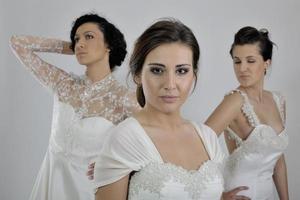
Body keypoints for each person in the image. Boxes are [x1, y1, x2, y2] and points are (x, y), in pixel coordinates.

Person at [10, 13, 139, 200]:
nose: (80, 43)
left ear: (109, 45)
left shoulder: (125, 98)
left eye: (89, 37)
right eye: (76, 39)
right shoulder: (63, 84)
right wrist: (69, 47)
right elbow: (17, 43)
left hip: (90, 192)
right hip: (48, 187)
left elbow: (154, 142)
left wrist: (123, 166)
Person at [93, 18, 225, 200]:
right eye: (157, 70)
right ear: (138, 74)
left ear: (193, 75)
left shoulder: (208, 138)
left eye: (181, 71)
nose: (170, 84)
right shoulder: (125, 138)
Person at [205, 26, 289, 199]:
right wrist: (218, 196)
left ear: (267, 62)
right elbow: (198, 144)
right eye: (237, 61)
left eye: (250, 61)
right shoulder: (235, 101)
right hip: (242, 194)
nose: (242, 68)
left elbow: (277, 158)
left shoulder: (278, 100)